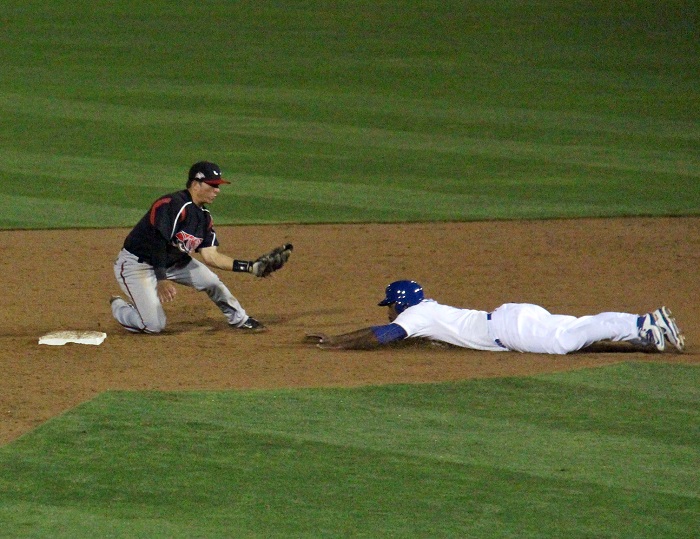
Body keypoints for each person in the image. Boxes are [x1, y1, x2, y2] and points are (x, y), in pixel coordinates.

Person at [111, 161, 286, 334]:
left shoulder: (204, 217)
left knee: (212, 282)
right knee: (153, 326)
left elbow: (211, 256)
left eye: (218, 186)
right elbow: (158, 241)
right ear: (196, 184)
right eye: (212, 185)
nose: (217, 190)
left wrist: (250, 267)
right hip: (138, 264)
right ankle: (120, 307)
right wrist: (161, 279)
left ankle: (240, 319)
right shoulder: (172, 204)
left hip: (174, 262)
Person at [306, 280, 685, 354]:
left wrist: (336, 341)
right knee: (571, 330)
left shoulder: (416, 316)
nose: (388, 309)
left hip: (509, 327)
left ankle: (642, 323)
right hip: (511, 319)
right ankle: (642, 333)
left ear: (399, 304)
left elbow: (383, 335)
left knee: (565, 339)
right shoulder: (427, 310)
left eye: (389, 304)